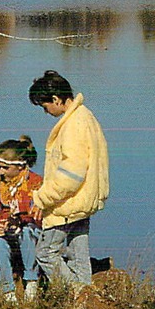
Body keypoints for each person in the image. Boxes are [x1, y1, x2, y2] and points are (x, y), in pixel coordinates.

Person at [28, 70, 109, 290]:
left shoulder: (74, 124)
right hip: (83, 199)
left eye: (45, 107)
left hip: (67, 203)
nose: (46, 112)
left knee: (45, 253)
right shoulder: (85, 116)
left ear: (56, 99)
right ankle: (86, 299)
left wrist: (42, 199)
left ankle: (74, 293)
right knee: (78, 255)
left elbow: (71, 174)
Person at [0, 136, 43, 306]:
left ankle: (31, 282)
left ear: (20, 166)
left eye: (5, 168)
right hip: (7, 240)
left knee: (28, 231)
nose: (0, 172)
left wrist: (21, 217)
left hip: (32, 236)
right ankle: (8, 292)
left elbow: (44, 218)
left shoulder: (38, 184)